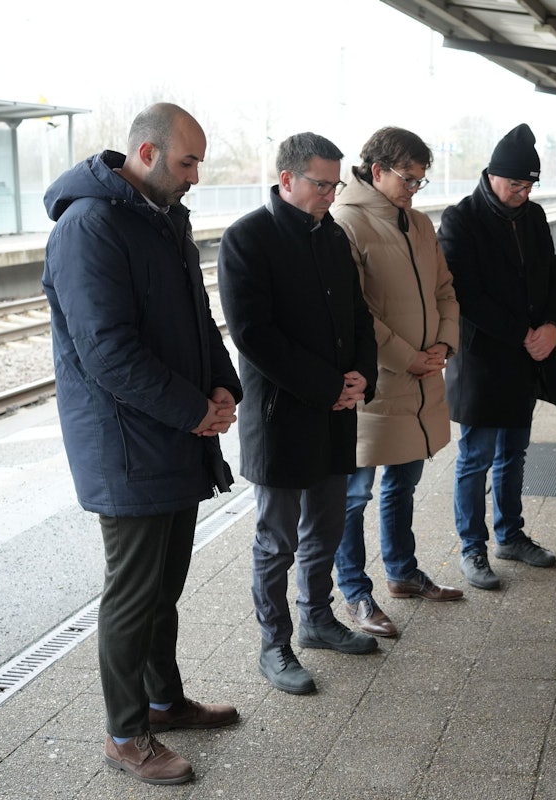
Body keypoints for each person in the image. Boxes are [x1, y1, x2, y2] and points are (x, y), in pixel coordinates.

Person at [42, 102, 242, 786]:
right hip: (127, 443)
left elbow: (198, 320)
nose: (195, 177)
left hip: (176, 434)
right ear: (149, 154)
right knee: (132, 594)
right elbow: (107, 353)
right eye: (188, 162)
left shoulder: (163, 220)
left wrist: (224, 389)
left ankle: (164, 702)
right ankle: (125, 734)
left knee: (164, 588)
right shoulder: (89, 226)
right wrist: (194, 411)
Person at [217, 132, 380, 696]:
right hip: (282, 415)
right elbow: (253, 335)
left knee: (327, 527)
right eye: (321, 184)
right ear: (287, 179)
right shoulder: (246, 239)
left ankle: (316, 620)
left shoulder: (330, 235)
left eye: (337, 185)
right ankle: (274, 644)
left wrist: (362, 376)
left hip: (334, 412)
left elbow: (360, 315)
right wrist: (328, 386)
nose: (331, 195)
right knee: (276, 539)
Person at [330, 127, 463, 638]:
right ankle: (355, 593)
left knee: (404, 483)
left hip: (424, 380)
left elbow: (446, 289)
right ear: (377, 169)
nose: (414, 188)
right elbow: (355, 312)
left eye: (420, 181)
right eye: (408, 178)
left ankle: (402, 573)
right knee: (355, 492)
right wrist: (410, 358)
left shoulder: (420, 222)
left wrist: (443, 347)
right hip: (379, 384)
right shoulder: (347, 223)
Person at [437, 123, 556, 591]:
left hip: (526, 358)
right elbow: (466, 295)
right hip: (482, 361)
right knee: (475, 456)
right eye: (516, 184)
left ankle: (510, 535)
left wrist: (554, 327)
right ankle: (471, 547)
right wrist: (525, 333)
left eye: (530, 185)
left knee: (513, 452)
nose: (523, 192)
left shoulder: (533, 217)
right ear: (493, 175)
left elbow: (554, 274)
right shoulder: (460, 220)